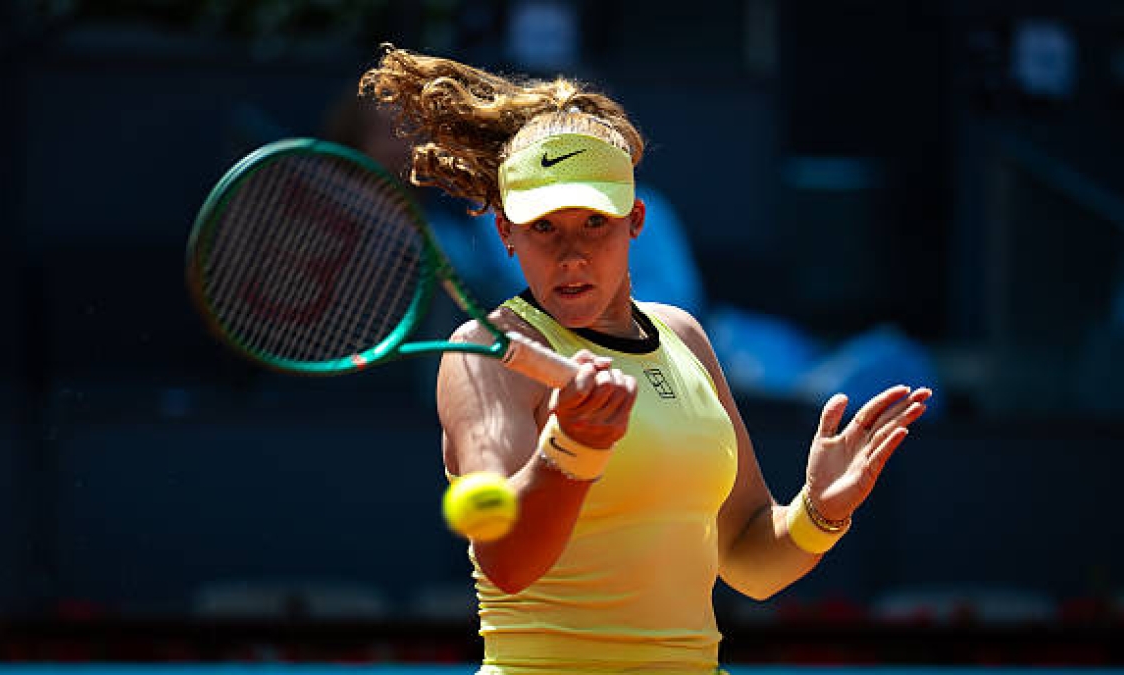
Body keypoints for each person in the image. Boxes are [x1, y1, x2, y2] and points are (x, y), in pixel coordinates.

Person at [359, 45, 932, 674]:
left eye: (594, 224)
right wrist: (571, 451)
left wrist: (821, 510)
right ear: (505, 233)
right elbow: (506, 560)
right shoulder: (483, 354)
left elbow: (747, 562)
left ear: (635, 221)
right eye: (545, 228)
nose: (572, 254)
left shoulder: (682, 336)